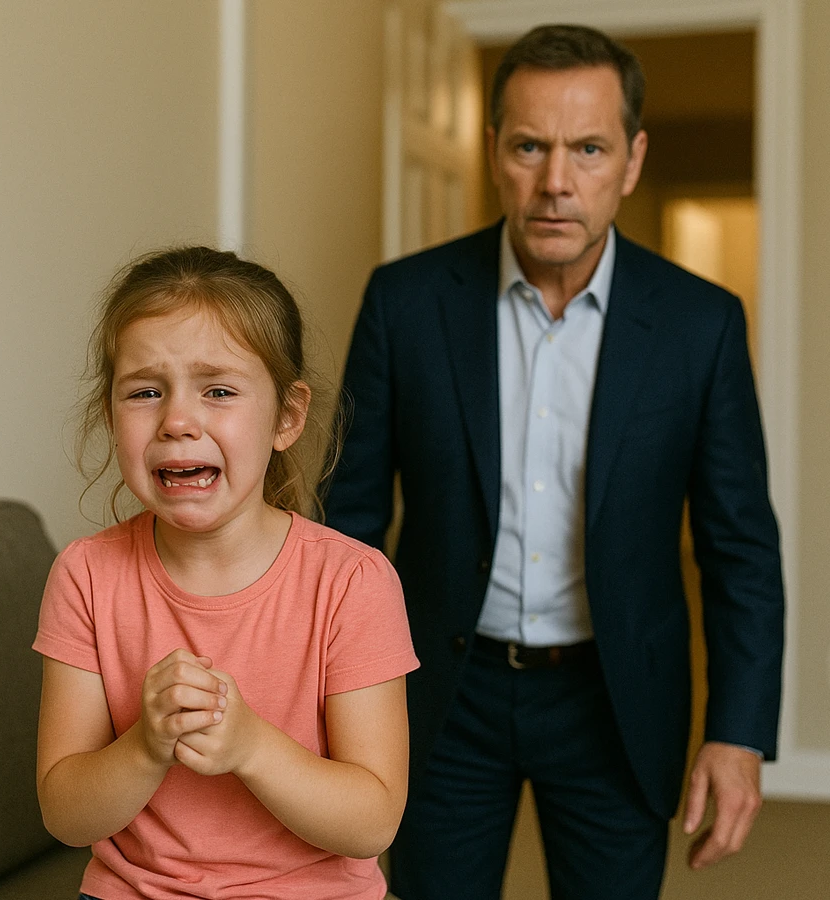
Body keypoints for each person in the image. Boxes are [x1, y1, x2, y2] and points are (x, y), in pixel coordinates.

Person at [323, 23, 784, 900]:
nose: (556, 182)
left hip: (615, 699)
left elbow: (742, 550)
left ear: (633, 159)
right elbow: (348, 523)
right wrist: (334, 695)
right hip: (440, 693)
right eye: (530, 146)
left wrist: (739, 732)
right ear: (494, 149)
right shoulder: (405, 302)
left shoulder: (701, 325)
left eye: (589, 149)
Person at [33, 246, 419, 900]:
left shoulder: (354, 582)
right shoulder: (85, 576)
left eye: (218, 390)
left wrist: (250, 747)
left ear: (287, 417)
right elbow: (66, 816)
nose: (178, 422)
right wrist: (145, 745)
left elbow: (372, 823)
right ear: (110, 414)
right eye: (145, 392)